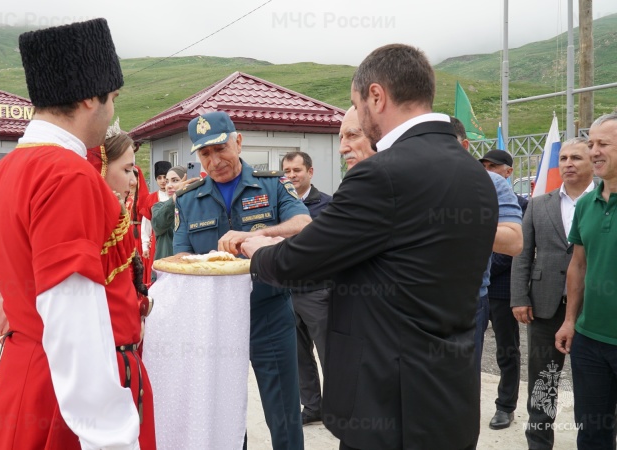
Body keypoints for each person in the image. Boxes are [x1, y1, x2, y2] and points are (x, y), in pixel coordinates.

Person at [242, 44, 498, 450]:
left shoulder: (383, 175)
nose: (358, 116)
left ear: (377, 97)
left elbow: (302, 262)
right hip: (450, 399)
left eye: (357, 104)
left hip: (389, 407)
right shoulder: (474, 174)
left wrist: (257, 249)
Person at [0, 19, 156, 450]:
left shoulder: (6, 170)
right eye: (113, 100)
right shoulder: (67, 174)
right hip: (64, 397)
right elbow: (72, 316)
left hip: (25, 371)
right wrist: (111, 437)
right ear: (92, 97)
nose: (113, 113)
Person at [173, 111, 311, 449]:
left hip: (270, 314)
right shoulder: (189, 199)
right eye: (205, 154)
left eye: (220, 148)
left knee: (284, 414)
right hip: (216, 321)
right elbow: (178, 260)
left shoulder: (272, 184)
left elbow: (304, 224)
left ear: (238, 141)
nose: (214, 160)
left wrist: (257, 233)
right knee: (225, 416)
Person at [511, 138, 594, 449]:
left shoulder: (604, 202)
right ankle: (539, 441)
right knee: (543, 380)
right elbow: (522, 252)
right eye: (564, 158)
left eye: (576, 158)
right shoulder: (539, 203)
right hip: (544, 306)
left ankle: (594, 437)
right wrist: (519, 296)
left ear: (593, 163)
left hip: (590, 308)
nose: (568, 163)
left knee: (592, 382)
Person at [555, 113, 617, 449]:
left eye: (602, 144)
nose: (593, 151)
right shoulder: (586, 206)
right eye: (590, 143)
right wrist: (569, 321)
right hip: (589, 342)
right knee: (592, 433)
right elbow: (577, 266)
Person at [476, 149, 529, 430]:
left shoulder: (522, 205)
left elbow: (514, 249)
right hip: (477, 290)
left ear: (508, 171)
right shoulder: (473, 199)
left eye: (493, 167)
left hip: (504, 289)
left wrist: (487, 266)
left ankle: (505, 406)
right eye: (483, 166)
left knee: (507, 351)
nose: (487, 171)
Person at [280, 151, 332, 425]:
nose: (291, 176)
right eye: (286, 171)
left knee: (328, 352)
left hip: (317, 291)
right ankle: (313, 406)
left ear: (310, 172)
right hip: (286, 291)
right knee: (298, 354)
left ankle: (338, 408)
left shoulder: (327, 205)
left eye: (296, 170)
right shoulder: (278, 205)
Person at [139, 160, 172, 284]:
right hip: (157, 241)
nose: (163, 181)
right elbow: (146, 223)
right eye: (159, 178)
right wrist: (145, 244)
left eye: (165, 177)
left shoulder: (177, 194)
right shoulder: (151, 198)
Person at [150, 165, 186, 261]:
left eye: (175, 180)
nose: (169, 185)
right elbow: (158, 225)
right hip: (166, 268)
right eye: (167, 182)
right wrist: (175, 198)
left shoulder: (195, 208)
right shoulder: (158, 207)